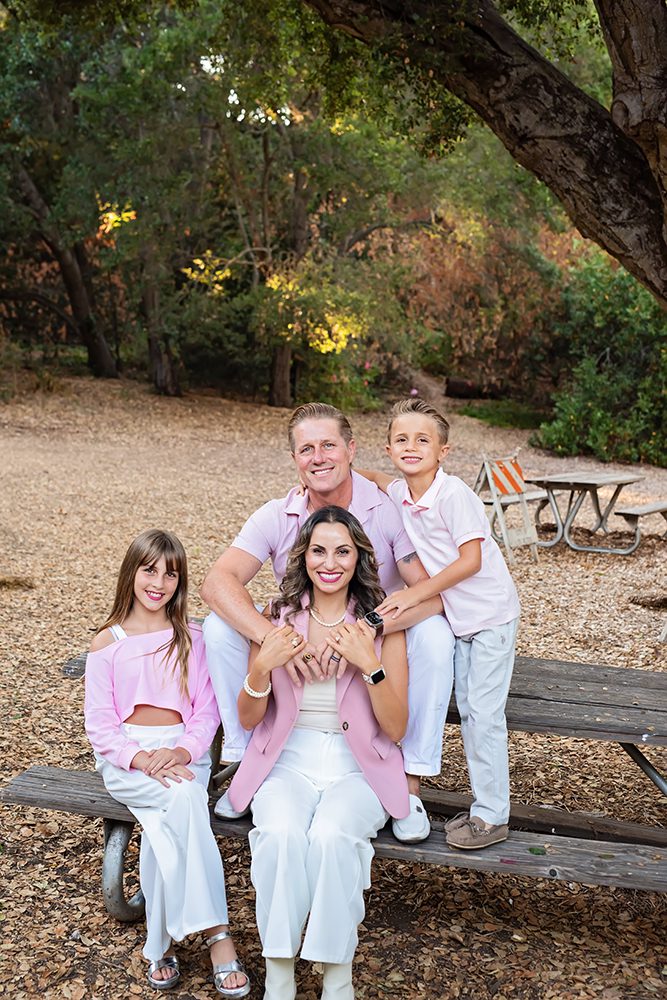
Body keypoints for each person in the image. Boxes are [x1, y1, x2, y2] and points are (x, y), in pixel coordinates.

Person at [201, 401, 455, 843]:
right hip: (301, 640)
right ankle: (247, 758)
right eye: (306, 449)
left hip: (376, 642)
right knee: (217, 626)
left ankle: (411, 779)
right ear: (295, 459)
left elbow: (432, 595)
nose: (318, 457)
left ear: (351, 449)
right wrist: (273, 636)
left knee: (435, 635)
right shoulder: (277, 514)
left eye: (328, 445)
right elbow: (217, 581)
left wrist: (369, 627)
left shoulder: (385, 510)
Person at [226, 505, 409, 1000]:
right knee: (281, 833)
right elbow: (247, 719)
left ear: (359, 558)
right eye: (319, 550)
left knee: (332, 837)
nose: (330, 562)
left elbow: (394, 728)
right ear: (303, 556)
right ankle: (281, 975)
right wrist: (263, 666)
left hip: (359, 766)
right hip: (287, 760)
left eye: (343, 551)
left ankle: (336, 978)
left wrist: (368, 662)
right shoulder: (279, 619)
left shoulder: (382, 625)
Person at [84, 529, 250, 996]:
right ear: (131, 573)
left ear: (180, 581)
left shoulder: (192, 637)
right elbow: (100, 726)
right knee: (183, 802)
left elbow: (207, 711)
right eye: (149, 569)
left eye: (170, 573)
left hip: (182, 754)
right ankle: (219, 936)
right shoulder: (107, 643)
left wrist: (180, 752)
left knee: (169, 819)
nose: (158, 582)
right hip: (127, 759)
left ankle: (161, 943)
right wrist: (138, 758)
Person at [358, 397, 520, 850]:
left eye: (422, 440)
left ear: (442, 452)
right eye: (401, 440)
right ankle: (482, 806)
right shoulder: (402, 493)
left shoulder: (455, 496)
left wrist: (414, 593)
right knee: (467, 709)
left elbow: (470, 561)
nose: (411, 447)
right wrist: (343, 475)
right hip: (459, 619)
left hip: (488, 616)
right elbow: (376, 479)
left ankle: (492, 816)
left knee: (481, 714)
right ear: (389, 447)